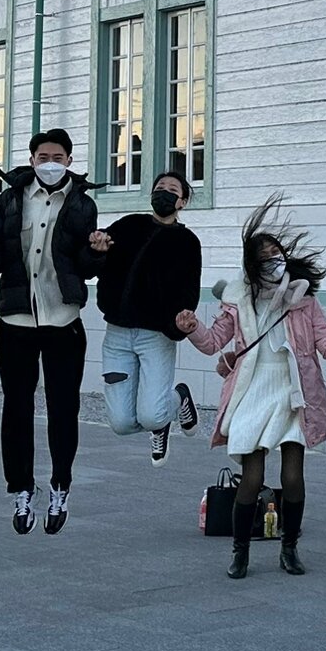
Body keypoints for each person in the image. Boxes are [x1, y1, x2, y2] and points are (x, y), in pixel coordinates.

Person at [177, 197, 326, 579]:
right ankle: (239, 551)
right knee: (253, 478)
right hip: (252, 388)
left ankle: (289, 547)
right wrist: (192, 328)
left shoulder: (303, 298)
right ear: (251, 264)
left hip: (294, 389)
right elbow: (214, 342)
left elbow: (324, 338)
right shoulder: (237, 300)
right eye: (266, 257)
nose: (275, 261)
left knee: (293, 475)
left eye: (278, 254)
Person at [0, 128, 99, 536]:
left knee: (64, 409)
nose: (50, 162)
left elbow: (82, 264)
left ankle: (61, 485)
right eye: (43, 155)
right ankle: (21, 490)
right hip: (16, 321)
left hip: (63, 319)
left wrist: (96, 251)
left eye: (58, 156)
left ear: (69, 161)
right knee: (16, 409)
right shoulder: (9, 200)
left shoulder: (82, 204)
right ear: (31, 160)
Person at [93, 168, 204, 466]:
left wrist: (180, 323)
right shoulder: (129, 226)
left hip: (157, 336)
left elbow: (188, 291)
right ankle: (164, 418)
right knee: (120, 423)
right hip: (116, 333)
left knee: (152, 414)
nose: (163, 193)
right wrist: (98, 249)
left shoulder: (188, 243)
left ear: (182, 202)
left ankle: (177, 399)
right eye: (159, 188)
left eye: (172, 190)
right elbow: (98, 259)